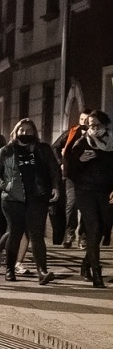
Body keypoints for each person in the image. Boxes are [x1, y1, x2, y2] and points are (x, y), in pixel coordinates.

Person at [0, 117, 60, 283]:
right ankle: (10, 270)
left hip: (37, 197)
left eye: (29, 131)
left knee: (36, 235)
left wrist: (56, 187)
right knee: (15, 234)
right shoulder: (7, 151)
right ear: (16, 132)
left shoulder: (43, 149)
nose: (25, 133)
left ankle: (42, 271)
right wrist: (5, 186)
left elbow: (54, 170)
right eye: (22, 130)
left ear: (34, 133)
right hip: (13, 199)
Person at [64, 110, 113, 286]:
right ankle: (97, 274)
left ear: (105, 125)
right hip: (85, 191)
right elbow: (69, 171)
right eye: (90, 125)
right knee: (93, 228)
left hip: (105, 192)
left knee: (101, 230)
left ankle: (86, 264)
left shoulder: (111, 143)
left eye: (96, 125)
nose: (93, 129)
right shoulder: (82, 143)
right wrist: (81, 160)